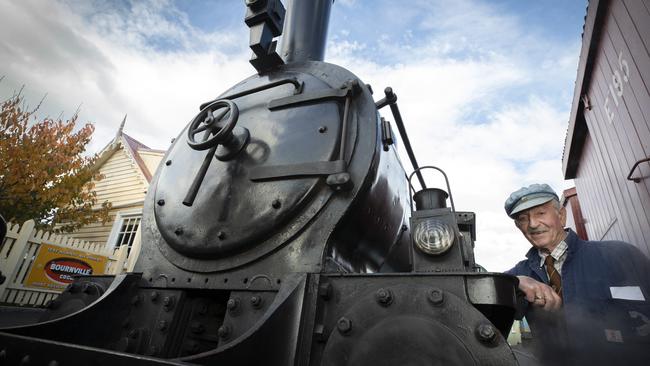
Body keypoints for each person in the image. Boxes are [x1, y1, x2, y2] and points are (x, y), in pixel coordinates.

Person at [504, 183, 650, 366]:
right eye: (523, 219)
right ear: (519, 227)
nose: (533, 224)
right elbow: (479, 293)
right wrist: (516, 282)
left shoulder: (621, 255)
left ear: (561, 215)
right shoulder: (520, 272)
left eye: (541, 213)